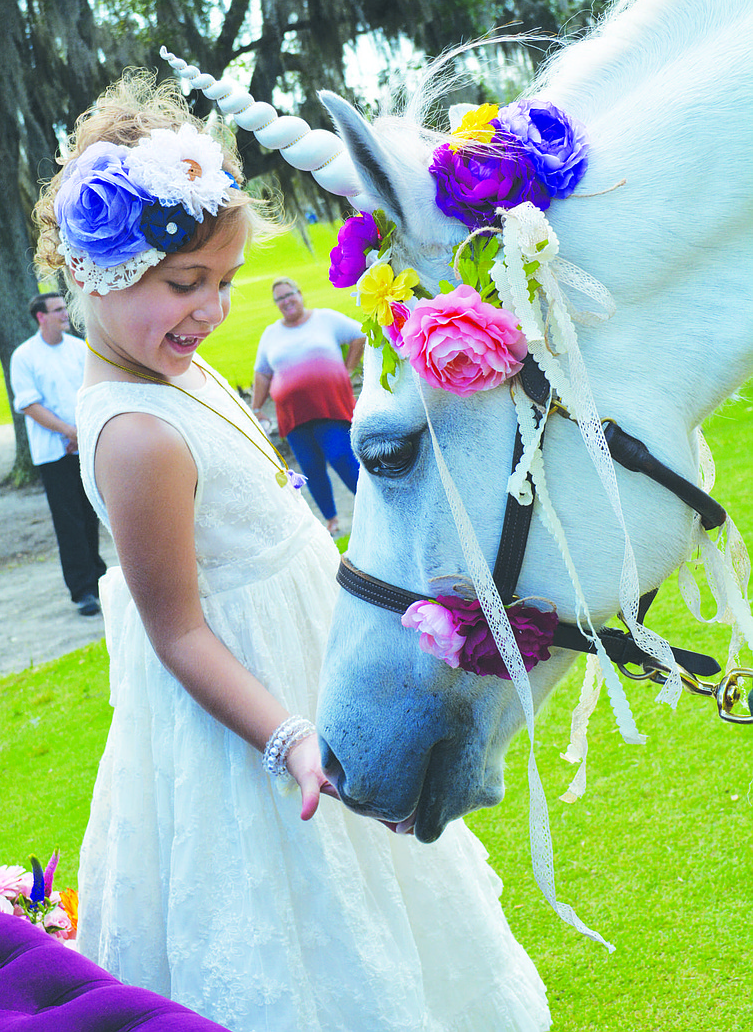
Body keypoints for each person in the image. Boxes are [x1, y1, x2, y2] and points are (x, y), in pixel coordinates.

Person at [31, 68, 550, 1032]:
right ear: (96, 269)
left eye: (222, 282)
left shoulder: (170, 371)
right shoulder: (133, 432)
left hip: (310, 652)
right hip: (252, 711)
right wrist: (288, 735)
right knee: (299, 926)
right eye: (185, 284)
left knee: (382, 907)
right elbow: (180, 632)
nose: (213, 309)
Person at [9, 291, 106, 616]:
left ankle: (99, 578)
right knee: (69, 523)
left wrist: (83, 433)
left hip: (86, 447)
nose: (66, 313)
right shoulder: (25, 356)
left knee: (91, 517)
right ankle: (82, 591)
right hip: (54, 454)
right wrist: (68, 432)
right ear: (41, 317)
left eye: (65, 308)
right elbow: (29, 404)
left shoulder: (79, 349)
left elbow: (93, 391)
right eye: (58, 310)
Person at [252, 278, 364, 536]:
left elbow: (359, 335)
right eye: (279, 298)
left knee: (340, 455)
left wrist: (347, 370)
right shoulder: (271, 333)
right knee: (311, 467)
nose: (285, 301)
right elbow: (262, 373)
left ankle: (372, 503)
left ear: (300, 293)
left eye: (289, 294)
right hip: (293, 415)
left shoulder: (325, 319)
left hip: (329, 406)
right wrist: (257, 406)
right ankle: (332, 520)